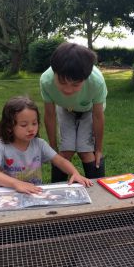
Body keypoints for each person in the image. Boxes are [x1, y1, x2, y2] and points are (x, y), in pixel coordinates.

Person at [0, 96, 93, 194]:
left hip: (34, 193)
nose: (31, 129)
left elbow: (60, 161)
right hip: (7, 195)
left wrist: (74, 173)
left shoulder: (39, 144)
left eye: (34, 123)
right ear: (9, 127)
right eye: (24, 125)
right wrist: (16, 183)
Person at [40, 42, 107, 182]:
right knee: (65, 152)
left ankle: (98, 190)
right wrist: (53, 148)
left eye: (76, 85)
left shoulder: (96, 82)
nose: (68, 90)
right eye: (62, 82)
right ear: (54, 72)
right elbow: (50, 115)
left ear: (85, 78)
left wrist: (99, 148)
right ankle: (58, 190)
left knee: (86, 152)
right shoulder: (46, 81)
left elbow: (98, 116)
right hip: (65, 109)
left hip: (89, 111)